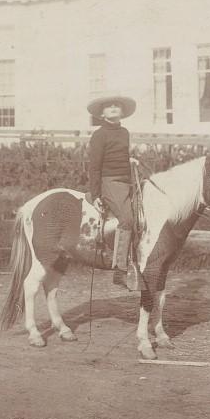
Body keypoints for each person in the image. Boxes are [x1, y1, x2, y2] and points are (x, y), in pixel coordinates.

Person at [85, 94, 139, 290]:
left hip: (127, 181)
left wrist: (130, 160)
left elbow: (119, 155)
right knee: (127, 220)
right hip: (110, 181)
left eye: (117, 105)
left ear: (122, 111)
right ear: (102, 113)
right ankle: (120, 269)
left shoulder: (124, 132)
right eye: (109, 106)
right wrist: (96, 195)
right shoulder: (99, 135)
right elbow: (95, 167)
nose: (114, 108)